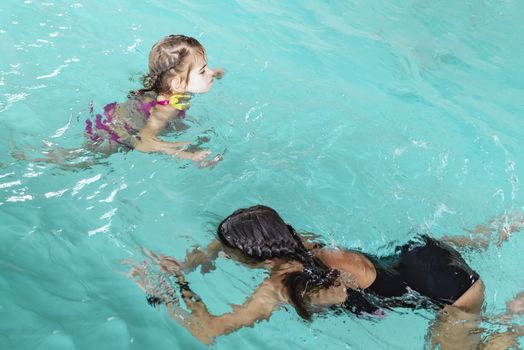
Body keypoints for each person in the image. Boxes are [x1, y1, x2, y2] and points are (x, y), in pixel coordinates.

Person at [128, 205, 524, 347]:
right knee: (417, 261)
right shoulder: (313, 246)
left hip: (456, 294)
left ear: (255, 259)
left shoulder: (279, 288)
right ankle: (499, 229)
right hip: (425, 254)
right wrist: (208, 252)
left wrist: (169, 289)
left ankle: (515, 316)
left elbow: (208, 332)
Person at [12, 34, 223, 168]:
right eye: (203, 71)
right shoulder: (166, 109)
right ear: (177, 84)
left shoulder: (166, 87)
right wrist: (186, 155)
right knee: (76, 160)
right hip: (115, 135)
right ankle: (23, 157)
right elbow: (143, 142)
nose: (211, 73)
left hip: (119, 116)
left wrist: (212, 73)